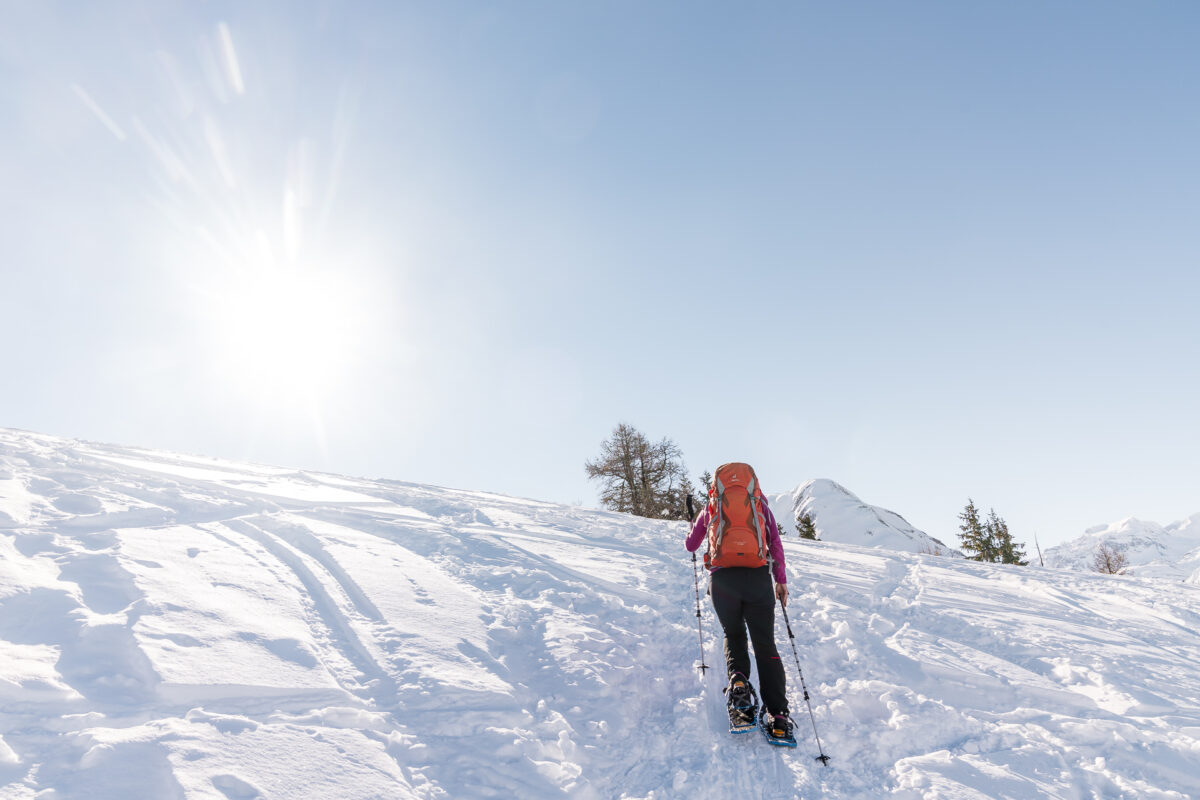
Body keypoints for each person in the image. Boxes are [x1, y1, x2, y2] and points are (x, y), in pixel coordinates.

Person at [685, 469, 792, 742]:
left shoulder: (711, 508)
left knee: (734, 635)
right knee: (765, 644)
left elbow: (691, 546)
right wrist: (780, 582)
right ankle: (778, 715)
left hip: (722, 582)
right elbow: (775, 544)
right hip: (757, 581)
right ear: (752, 484)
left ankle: (739, 683)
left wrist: (692, 525)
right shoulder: (760, 506)